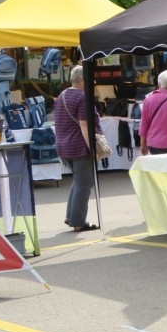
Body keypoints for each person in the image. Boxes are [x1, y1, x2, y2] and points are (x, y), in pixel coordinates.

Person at [54, 65, 99, 232]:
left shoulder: (62, 95)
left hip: (63, 145)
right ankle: (78, 221)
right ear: (82, 80)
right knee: (85, 183)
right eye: (90, 80)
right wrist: (93, 150)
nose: (93, 83)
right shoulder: (82, 97)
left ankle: (70, 216)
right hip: (79, 146)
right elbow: (85, 126)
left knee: (79, 181)